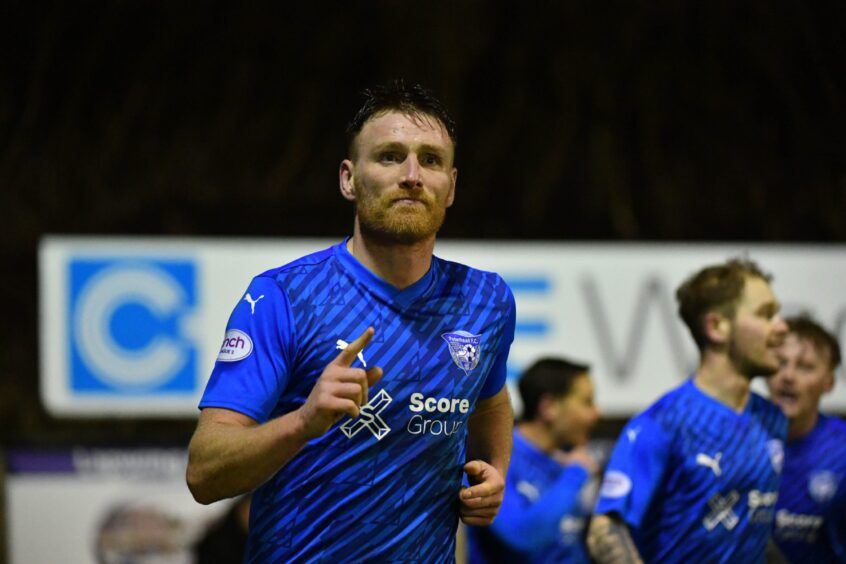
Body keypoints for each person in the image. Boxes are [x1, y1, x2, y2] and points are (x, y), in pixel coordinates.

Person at [185, 80, 516, 563]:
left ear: (451, 187)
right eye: (389, 156)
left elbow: (490, 401)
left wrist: (495, 469)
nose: (411, 175)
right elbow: (203, 473)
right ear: (348, 178)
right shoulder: (284, 297)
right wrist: (302, 422)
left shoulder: (486, 301)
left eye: (430, 160)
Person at [588, 258, 789, 563]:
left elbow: (751, 530)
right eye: (766, 314)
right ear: (717, 327)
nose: (782, 327)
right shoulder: (665, 422)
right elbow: (605, 530)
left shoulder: (772, 419)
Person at [466, 357, 601, 563]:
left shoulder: (563, 465)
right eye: (587, 402)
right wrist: (575, 474)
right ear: (549, 407)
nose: (596, 413)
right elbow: (522, 535)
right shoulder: (496, 459)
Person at [765, 314, 846, 563]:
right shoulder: (738, 441)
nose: (788, 376)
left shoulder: (841, 451)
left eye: (804, 367)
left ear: (828, 382)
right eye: (780, 363)